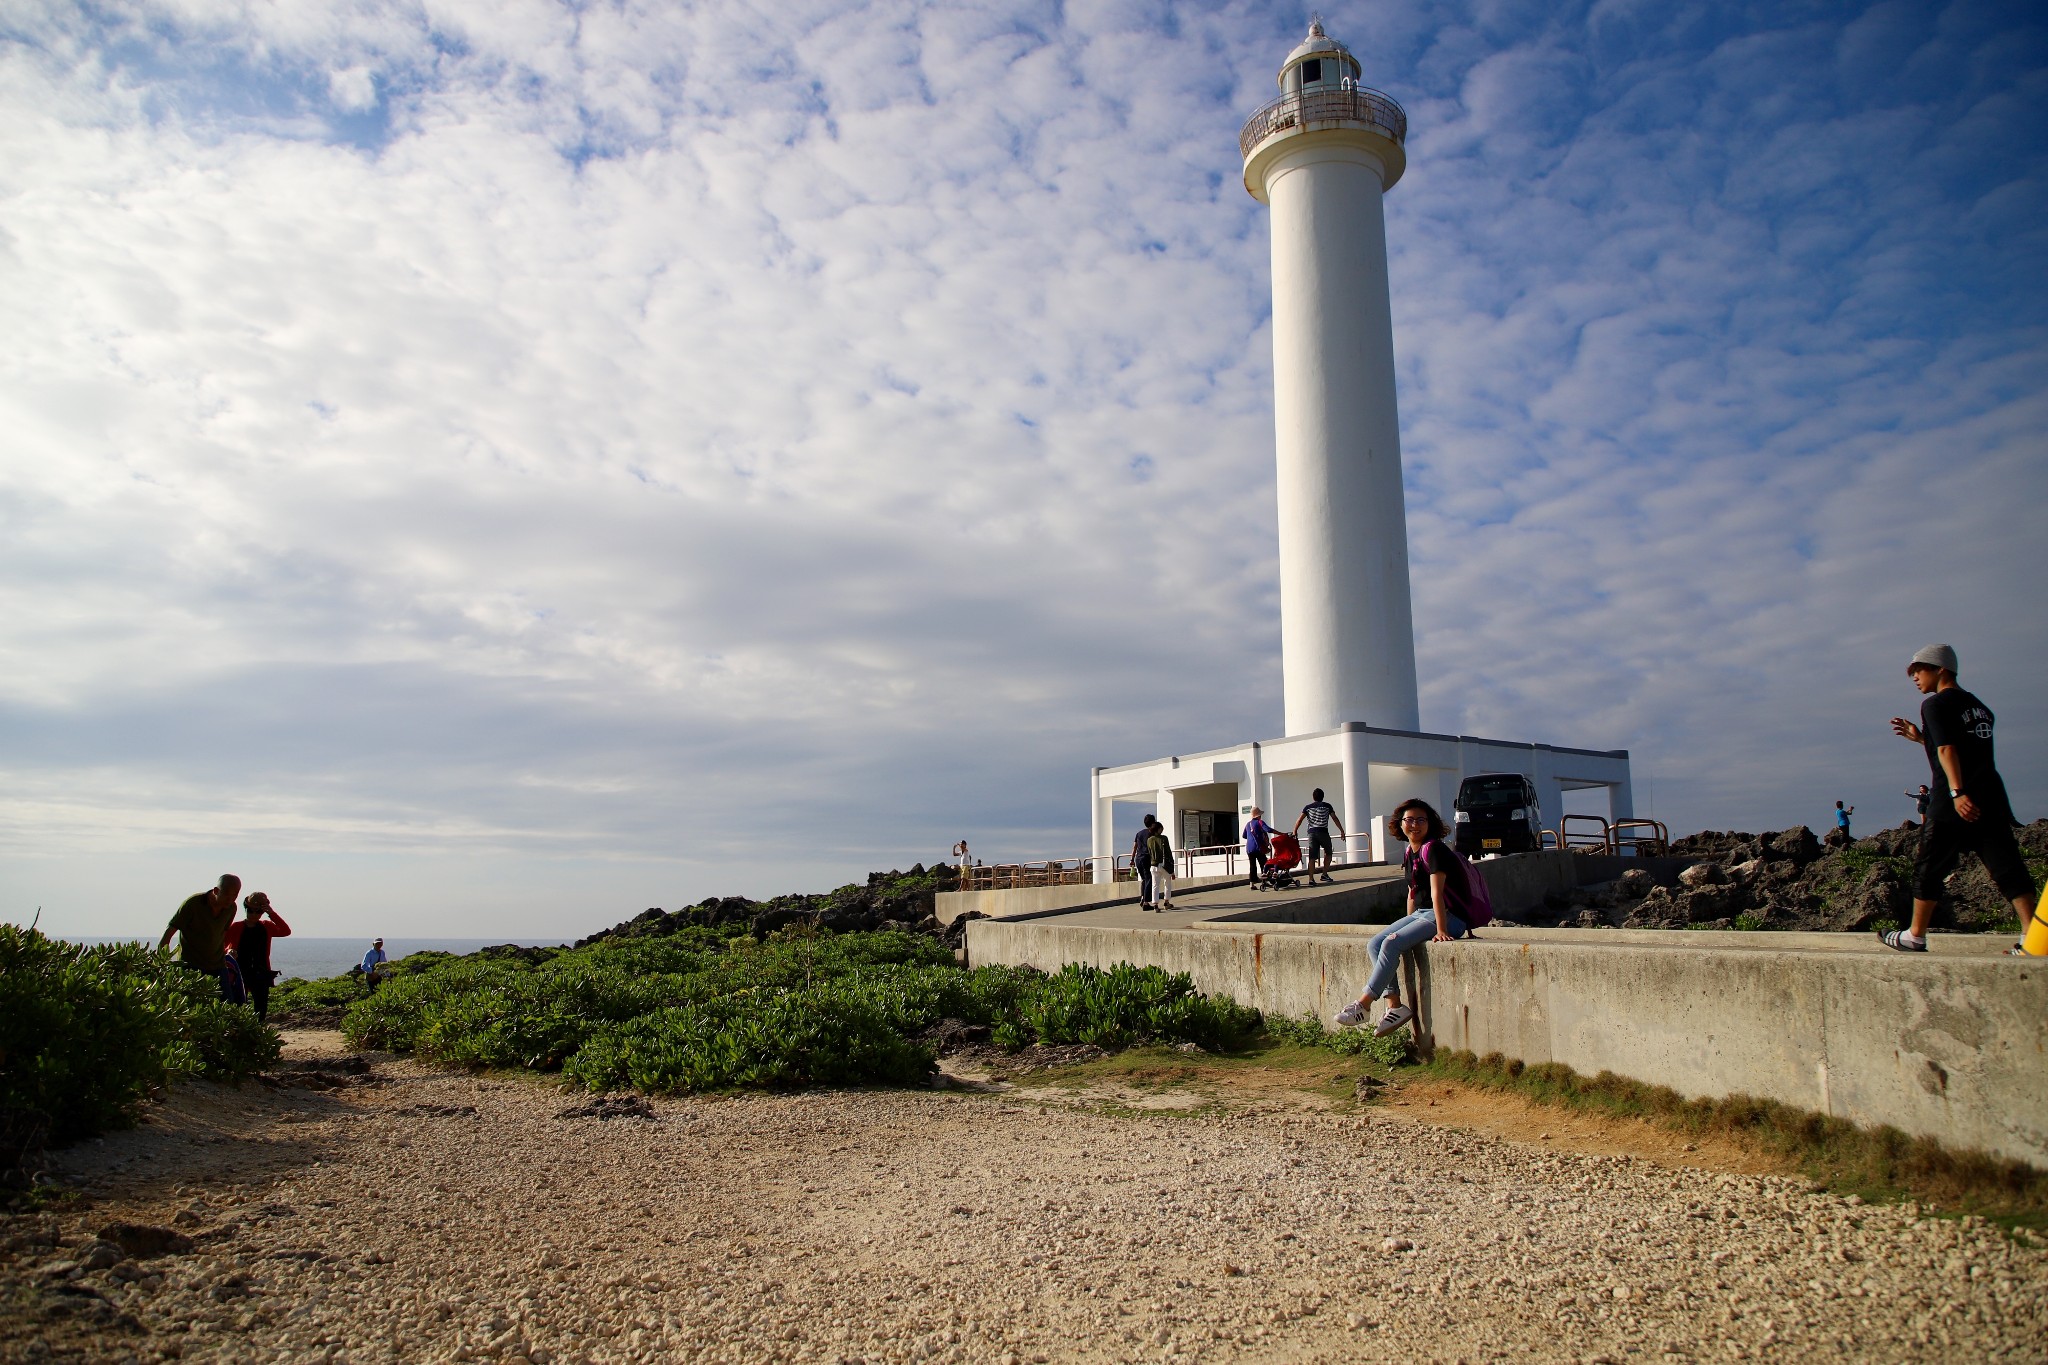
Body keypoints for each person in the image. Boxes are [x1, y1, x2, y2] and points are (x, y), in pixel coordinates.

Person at [1883, 644, 2040, 955]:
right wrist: (1921, 738)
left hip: (1953, 801)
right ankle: (2032, 938)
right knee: (2007, 867)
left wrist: (1957, 792)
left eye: (1919, 670)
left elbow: (1947, 751)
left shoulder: (1935, 705)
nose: (1914, 677)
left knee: (1929, 866)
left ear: (1941, 669)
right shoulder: (1980, 708)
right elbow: (1961, 747)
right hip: (1991, 796)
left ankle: (1915, 935)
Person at [1332, 799, 1472, 1036]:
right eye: (1409, 820)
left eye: (1421, 820)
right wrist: (1406, 929)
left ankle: (1364, 1004)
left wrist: (1441, 929)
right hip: (1422, 914)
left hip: (1450, 917)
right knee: (1376, 943)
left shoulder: (1434, 848)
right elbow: (1413, 893)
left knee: (1390, 943)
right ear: (1400, 824)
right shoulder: (1410, 851)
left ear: (1430, 824)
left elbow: (1437, 893)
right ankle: (1394, 1006)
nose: (1414, 825)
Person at [158, 875, 242, 1000]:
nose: (230, 899)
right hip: (191, 966)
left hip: (218, 966)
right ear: (216, 891)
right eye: (227, 895)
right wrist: (160, 963)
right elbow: (170, 931)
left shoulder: (231, 908)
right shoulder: (193, 903)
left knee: (226, 1005)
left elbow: (221, 934)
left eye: (235, 895)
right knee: (191, 1005)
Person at [224, 893, 292, 1021]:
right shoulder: (236, 927)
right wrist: (229, 950)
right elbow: (222, 944)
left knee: (261, 1008)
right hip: (239, 972)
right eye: (250, 911)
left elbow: (285, 931)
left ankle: (258, 1033)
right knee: (237, 1004)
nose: (254, 914)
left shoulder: (267, 926)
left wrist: (271, 913)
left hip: (261, 972)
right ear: (246, 910)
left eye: (258, 912)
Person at [1291, 788, 1346, 884]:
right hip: (1323, 832)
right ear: (1323, 797)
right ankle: (1324, 874)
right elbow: (1334, 818)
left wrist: (1295, 831)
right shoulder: (1327, 806)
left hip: (1311, 833)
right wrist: (1341, 831)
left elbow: (1300, 820)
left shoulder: (1307, 808)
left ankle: (1311, 879)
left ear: (1313, 797)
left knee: (1312, 857)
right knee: (1328, 852)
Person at [1146, 820, 1177, 911]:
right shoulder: (1164, 838)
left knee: (1155, 885)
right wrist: (1172, 869)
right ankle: (1166, 902)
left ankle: (1155, 904)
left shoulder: (1149, 840)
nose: (1162, 829)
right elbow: (1168, 853)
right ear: (1158, 829)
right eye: (1161, 828)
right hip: (1164, 865)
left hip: (1153, 865)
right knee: (1167, 883)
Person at [1131, 816, 1160, 909]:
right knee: (1149, 879)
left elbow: (1134, 847)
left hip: (1138, 858)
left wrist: (1132, 859)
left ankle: (1143, 897)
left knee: (1144, 879)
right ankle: (1146, 903)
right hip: (1147, 858)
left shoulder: (1139, 833)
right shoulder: (1152, 833)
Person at [1242, 807, 1275, 890]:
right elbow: (1268, 829)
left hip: (1249, 849)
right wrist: (1280, 833)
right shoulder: (1260, 822)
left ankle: (1251, 884)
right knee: (1264, 863)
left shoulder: (1248, 824)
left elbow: (1244, 836)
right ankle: (1265, 881)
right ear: (1258, 815)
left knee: (1252, 866)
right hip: (1258, 847)